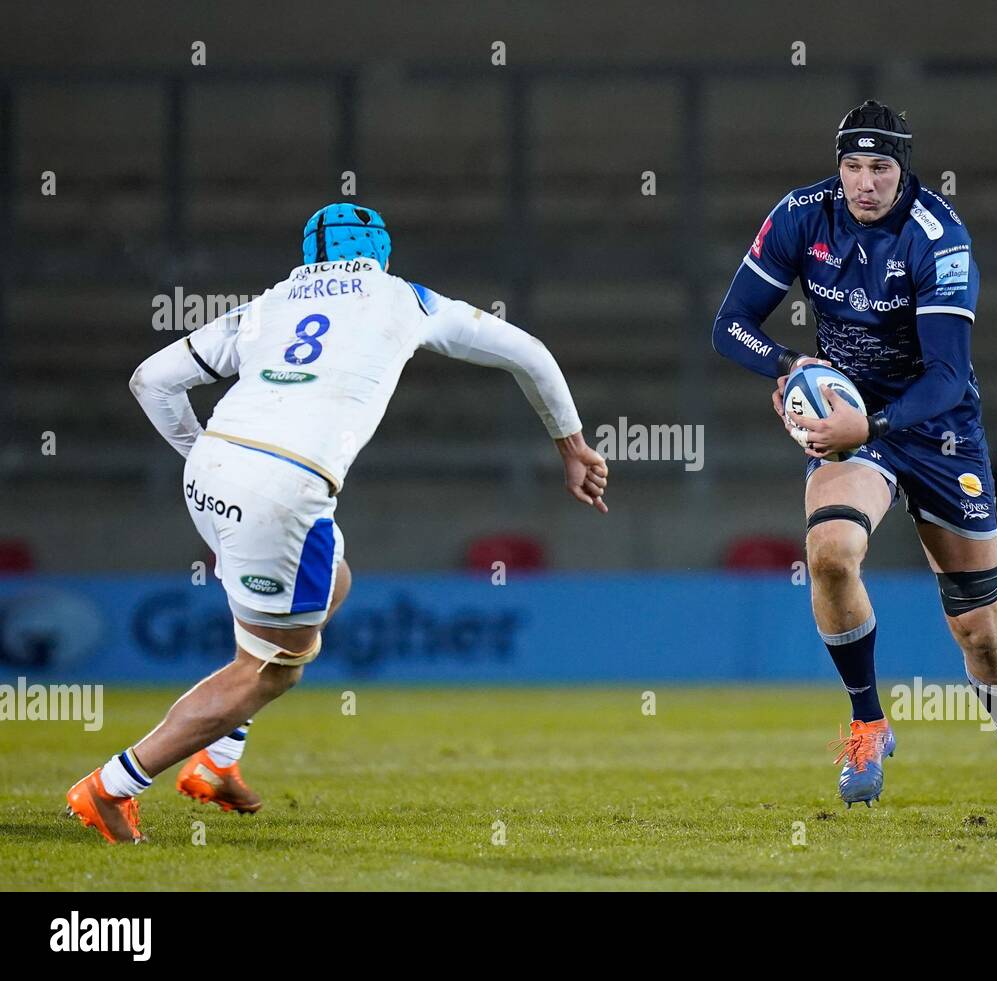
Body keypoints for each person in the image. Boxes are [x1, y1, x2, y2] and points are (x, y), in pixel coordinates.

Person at [66, 204, 609, 843]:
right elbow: (531, 353)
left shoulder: (269, 304)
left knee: (335, 581)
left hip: (215, 468)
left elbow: (151, 380)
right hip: (282, 486)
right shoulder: (404, 297)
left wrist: (207, 457)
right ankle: (112, 787)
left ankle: (216, 761)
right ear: (379, 252)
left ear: (309, 255)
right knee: (271, 669)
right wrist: (571, 446)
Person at [712, 101, 997, 825]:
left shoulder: (938, 238)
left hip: (938, 430)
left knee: (981, 632)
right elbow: (728, 325)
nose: (864, 182)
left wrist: (872, 418)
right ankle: (867, 722)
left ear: (903, 168)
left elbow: (946, 376)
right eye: (853, 165)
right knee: (830, 553)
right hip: (854, 430)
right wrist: (789, 366)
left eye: (880, 167)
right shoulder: (802, 215)